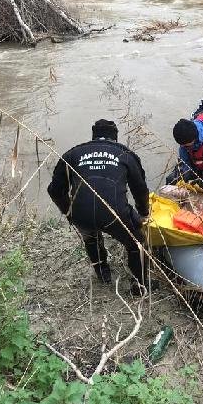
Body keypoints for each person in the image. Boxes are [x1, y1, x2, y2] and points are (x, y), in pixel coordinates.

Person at [47, 119, 151, 293]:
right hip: (115, 214)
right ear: (115, 137)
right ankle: (139, 285)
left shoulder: (73, 154)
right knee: (137, 244)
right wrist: (143, 213)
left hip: (81, 214)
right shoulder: (125, 154)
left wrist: (69, 212)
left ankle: (103, 273)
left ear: (93, 136)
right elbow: (140, 189)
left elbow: (55, 190)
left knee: (91, 238)